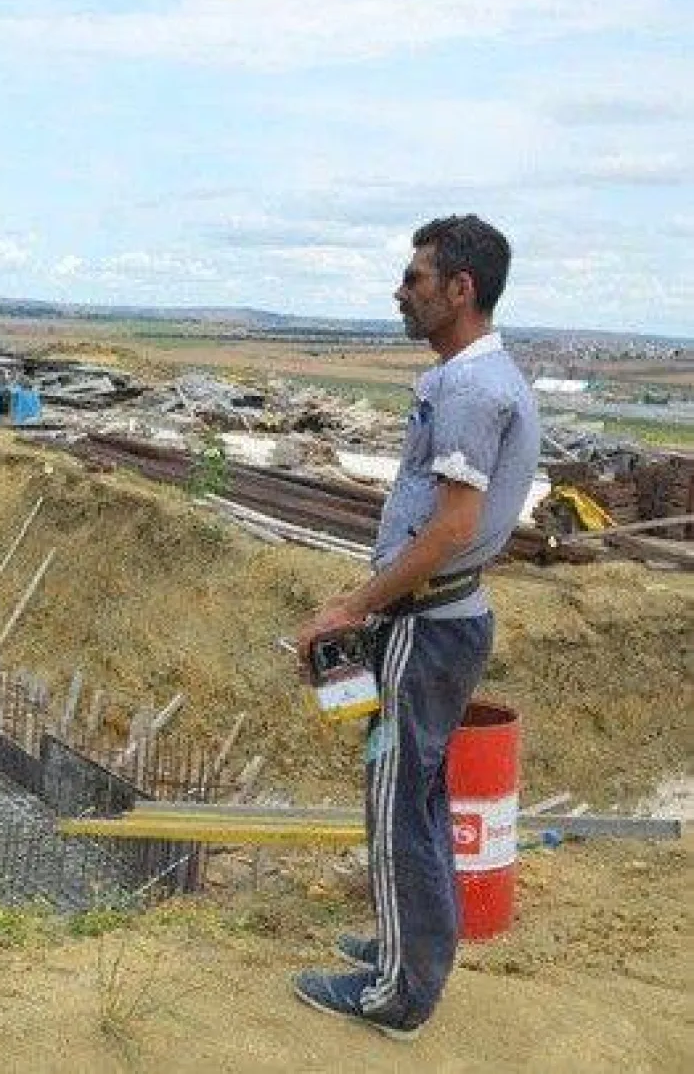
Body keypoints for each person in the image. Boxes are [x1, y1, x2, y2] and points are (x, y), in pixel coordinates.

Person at [294, 215, 539, 1040]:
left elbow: (447, 530)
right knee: (421, 792)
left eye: (416, 278)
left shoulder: (469, 390)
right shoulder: (482, 376)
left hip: (426, 628)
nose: (401, 292)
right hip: (442, 619)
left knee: (399, 801)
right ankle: (414, 948)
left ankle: (399, 993)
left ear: (459, 290)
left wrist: (353, 606)